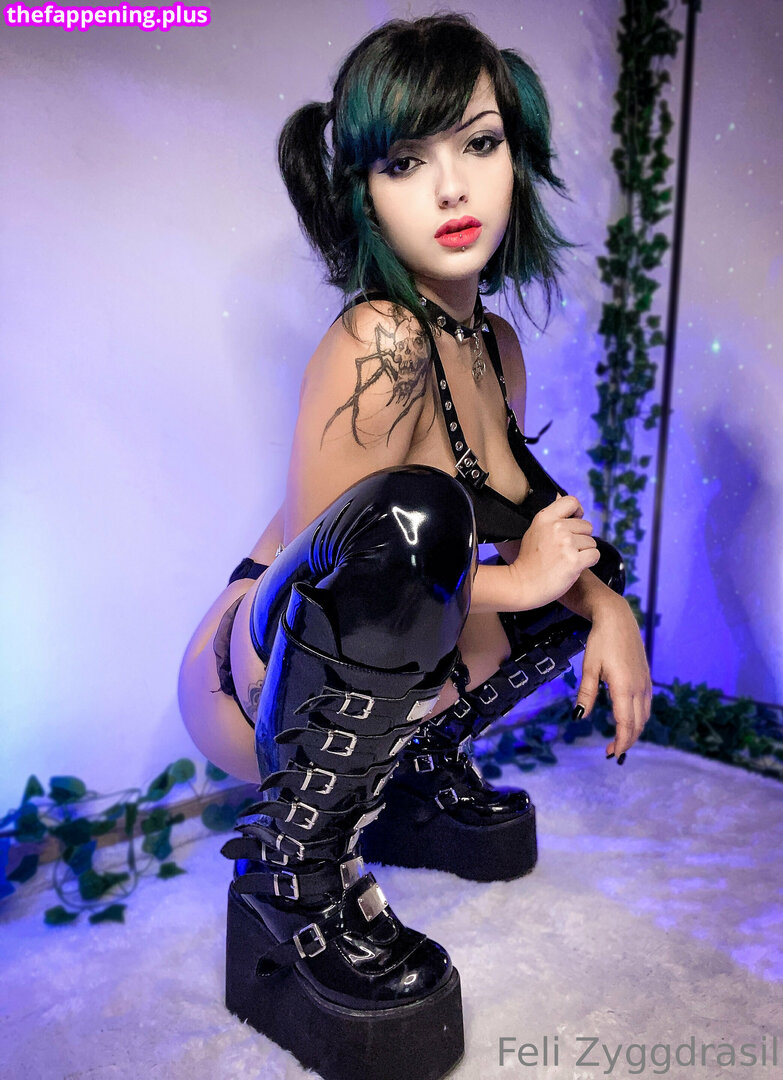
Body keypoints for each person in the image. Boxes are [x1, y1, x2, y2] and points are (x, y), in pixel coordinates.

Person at [178, 13, 652, 1080]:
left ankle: (415, 772)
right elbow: (342, 574)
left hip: (364, 667)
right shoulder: (377, 337)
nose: (451, 189)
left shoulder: (493, 345)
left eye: (478, 144)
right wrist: (523, 582)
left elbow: (539, 523)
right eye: (405, 162)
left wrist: (605, 603)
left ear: (517, 159)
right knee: (424, 523)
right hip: (256, 680)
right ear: (363, 192)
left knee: (577, 561)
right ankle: (293, 873)